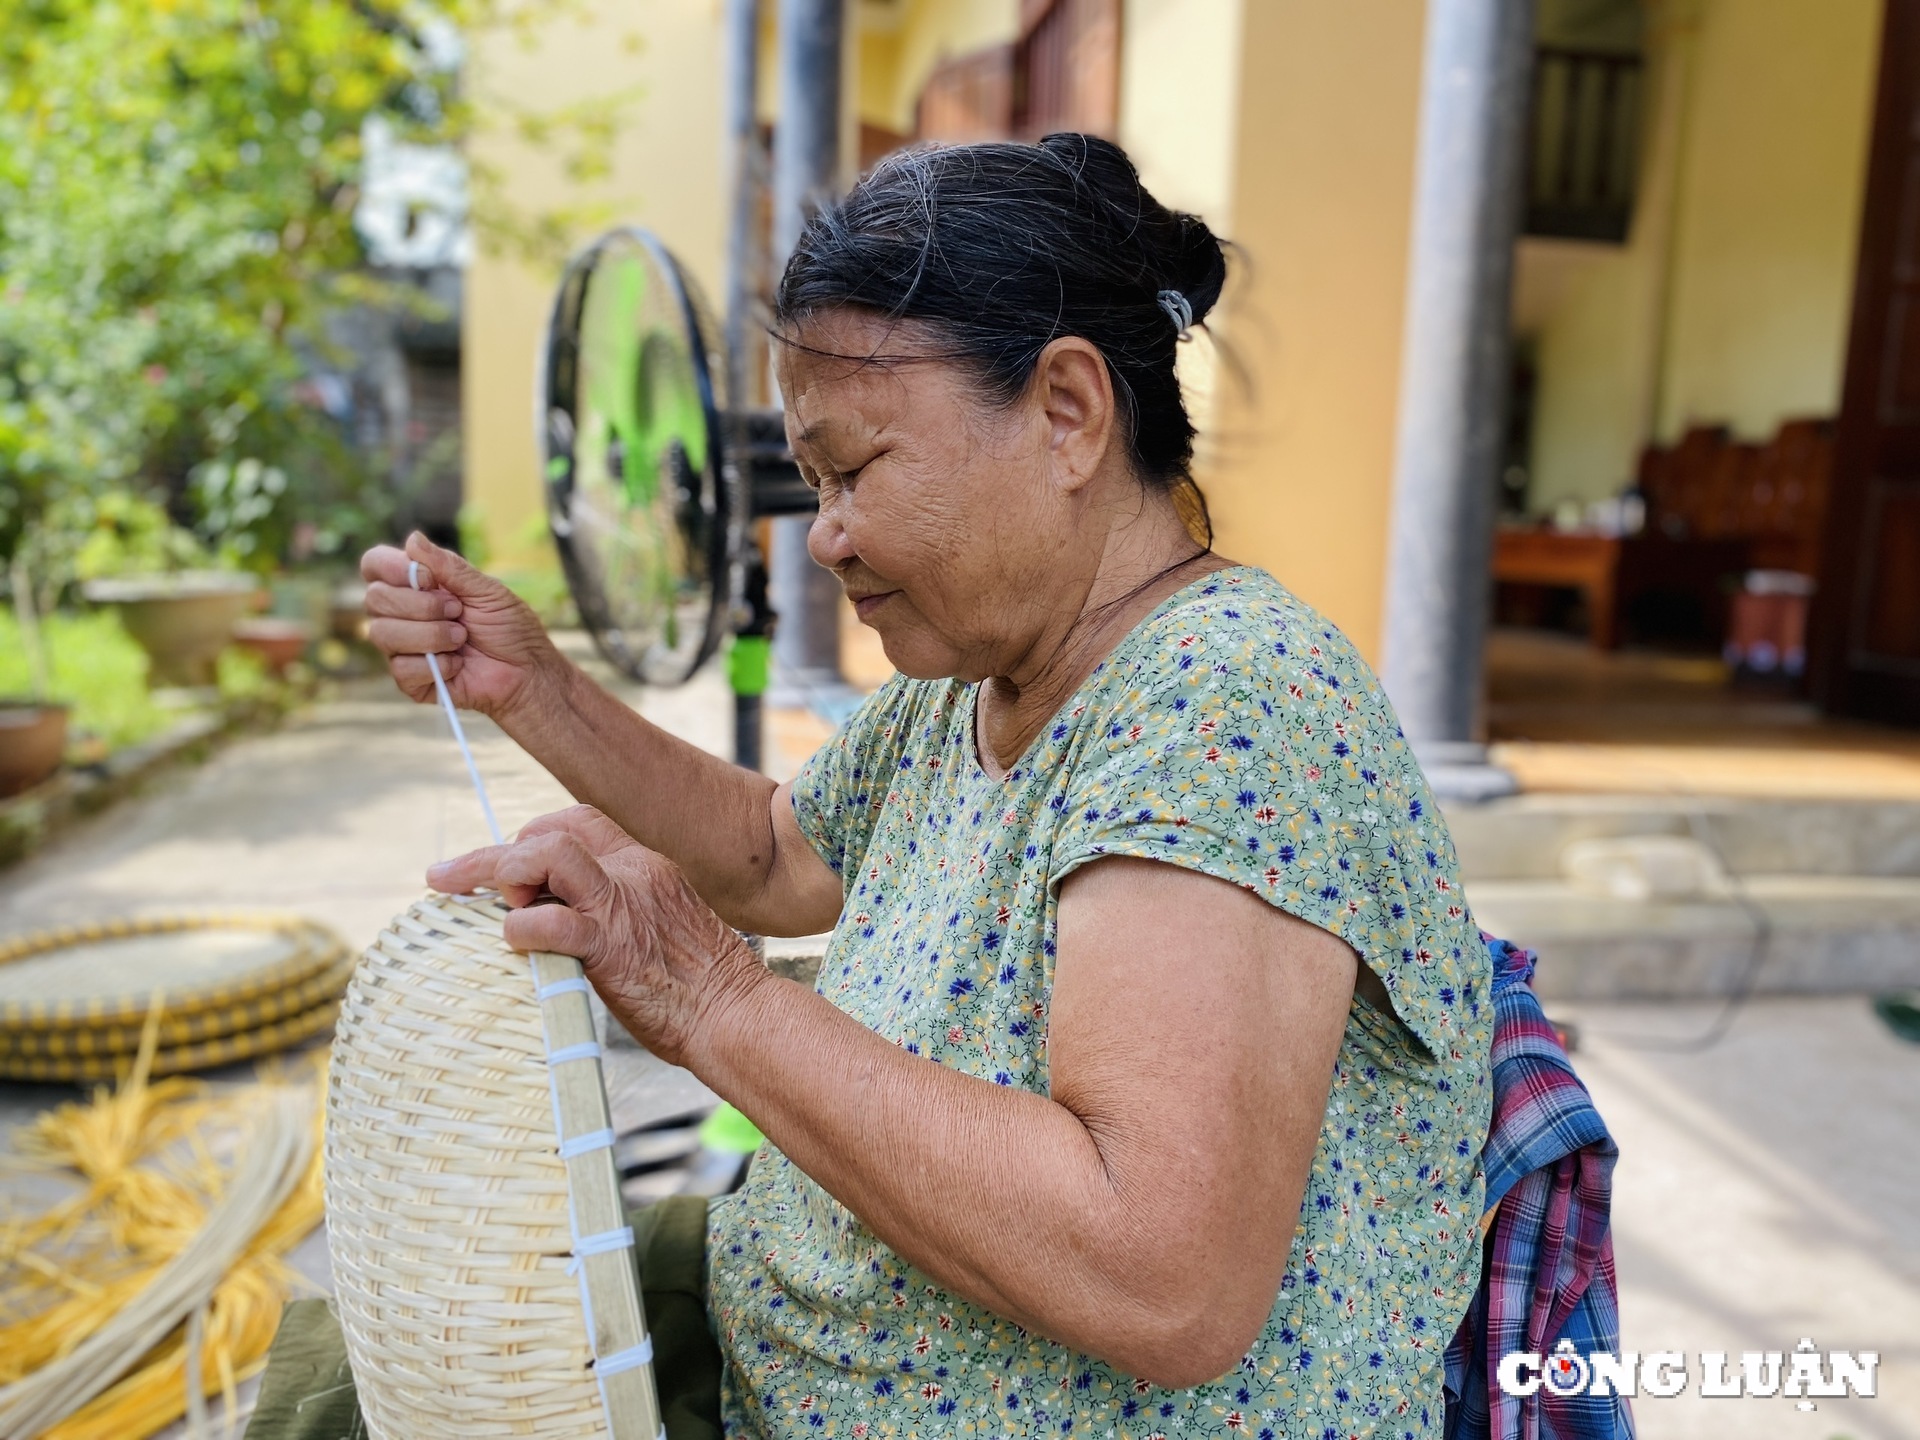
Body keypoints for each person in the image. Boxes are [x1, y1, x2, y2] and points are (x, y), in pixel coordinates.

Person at [260, 133, 1493, 1440]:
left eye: (858, 472)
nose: (828, 533)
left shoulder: (1223, 701)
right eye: (813, 483)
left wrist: (708, 994)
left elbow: (1159, 1274)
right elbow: (775, 854)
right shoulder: (970, 680)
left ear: (1068, 412)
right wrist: (538, 691)